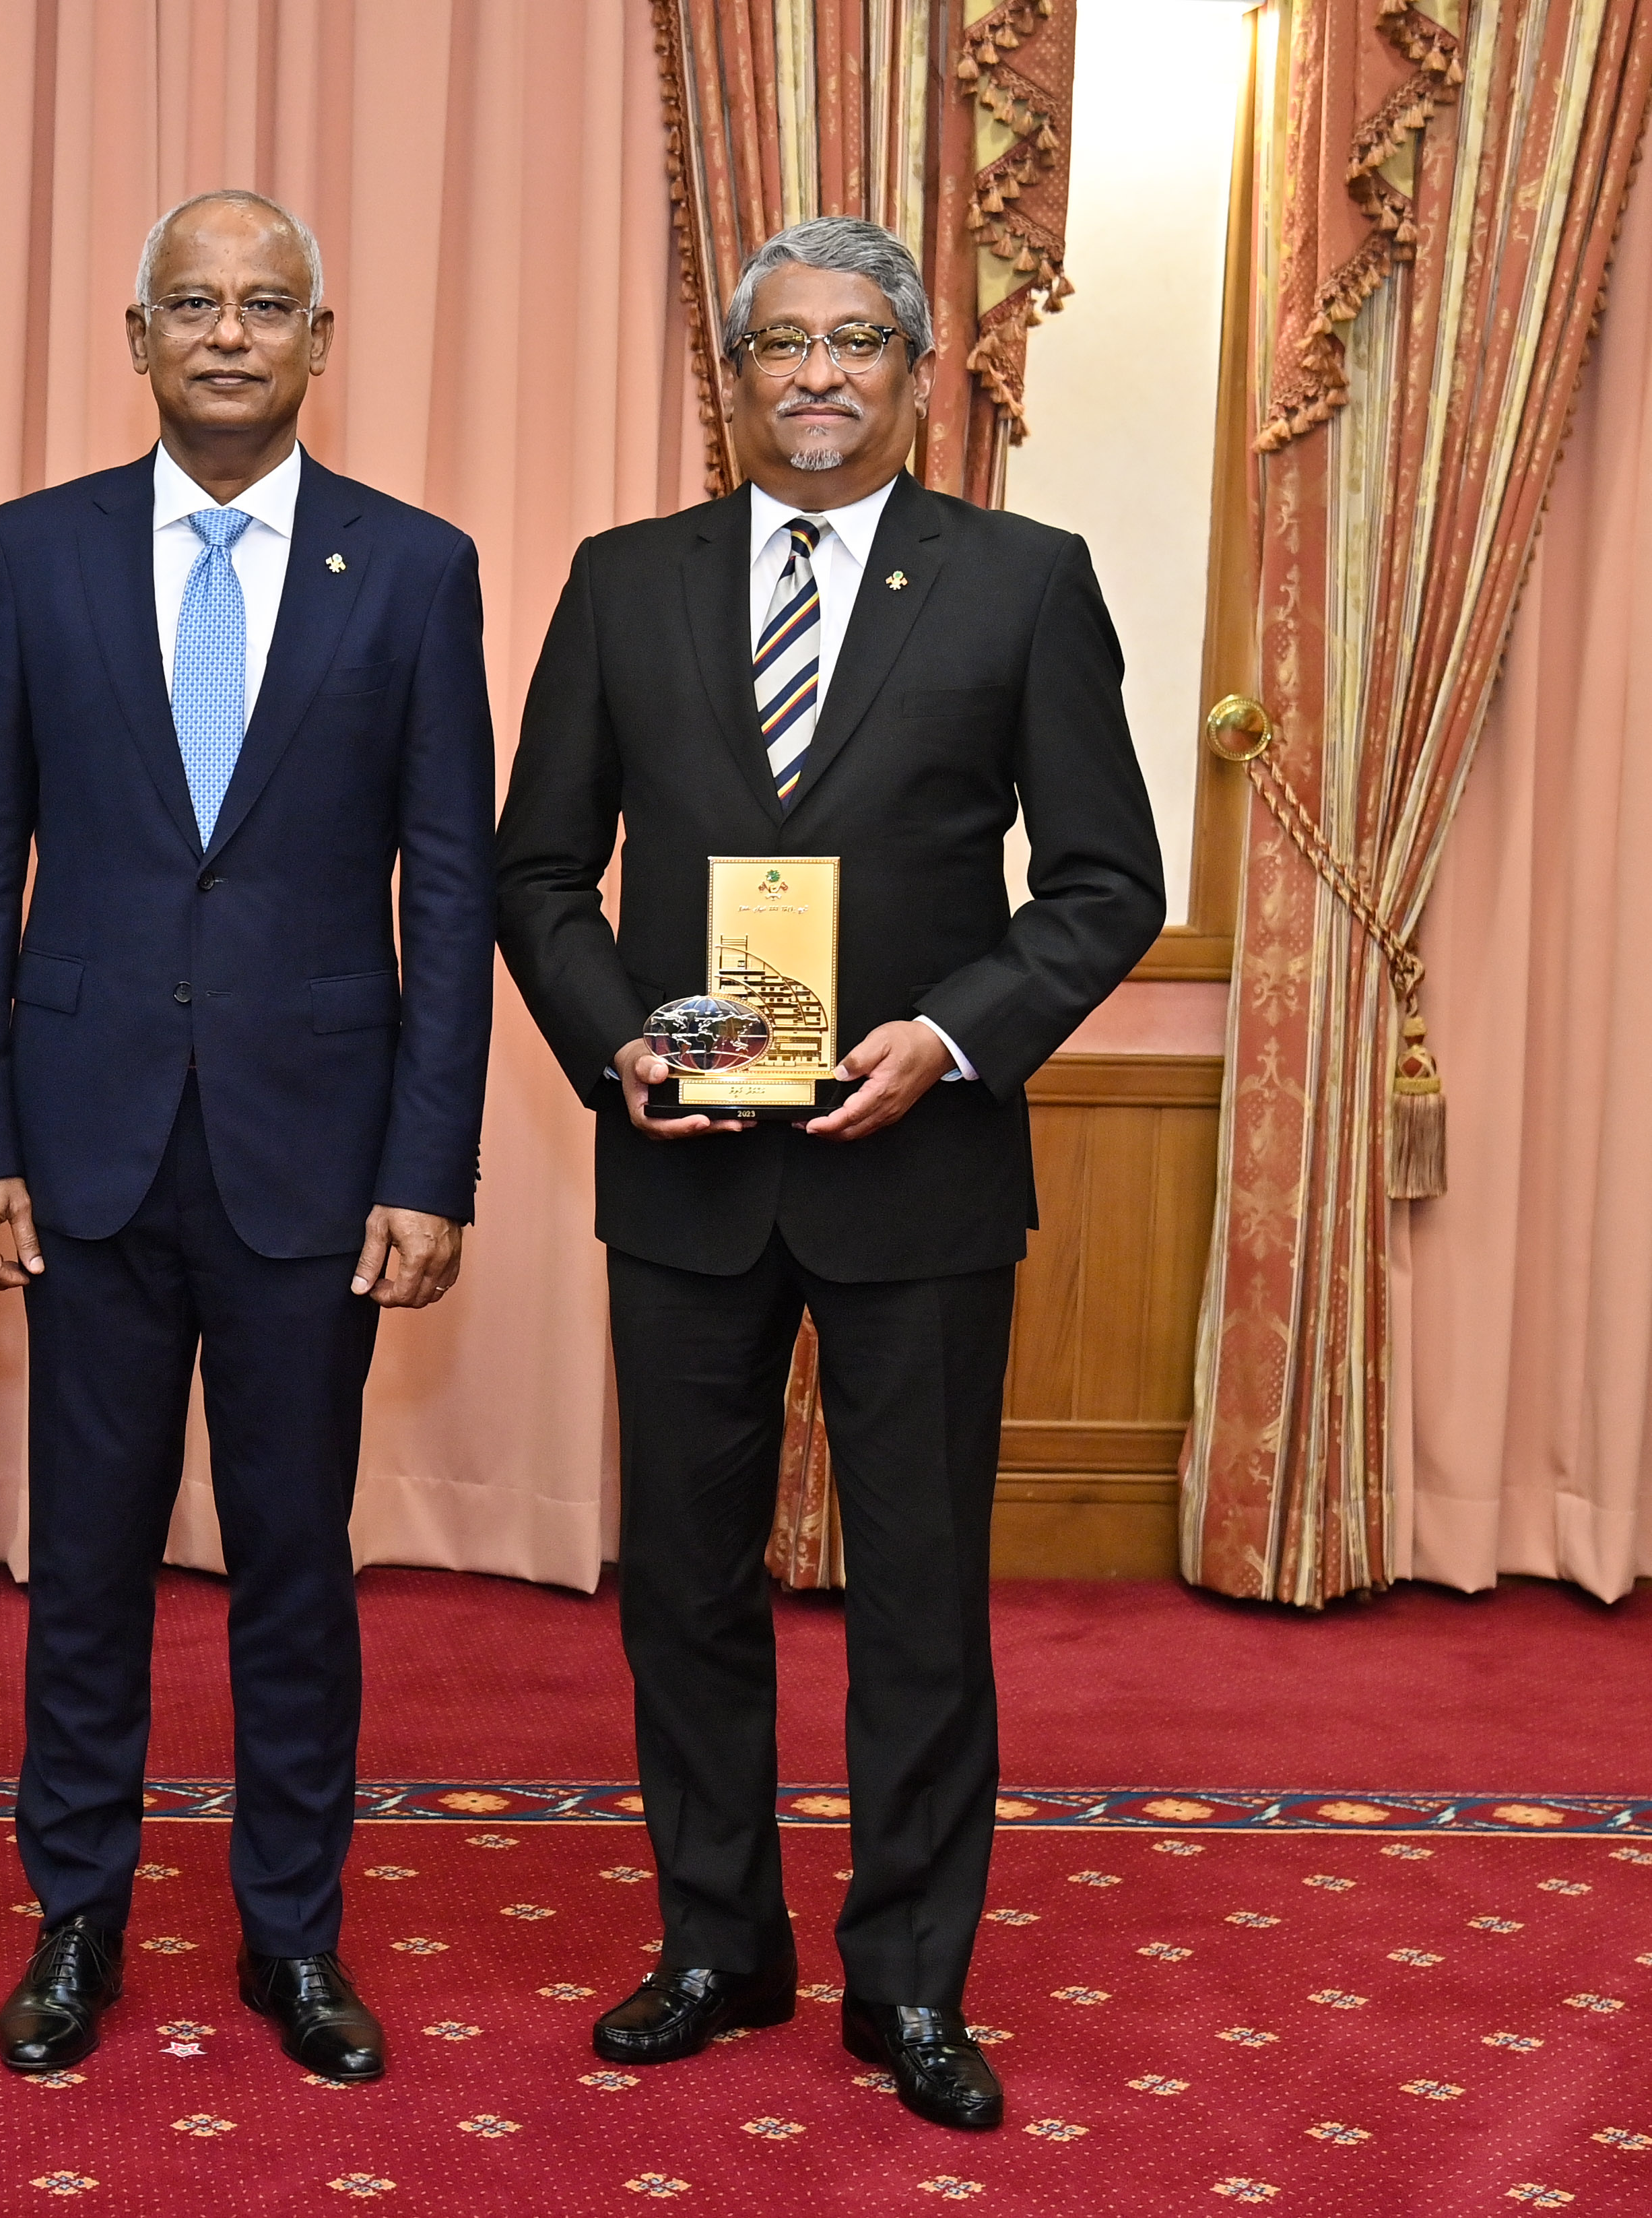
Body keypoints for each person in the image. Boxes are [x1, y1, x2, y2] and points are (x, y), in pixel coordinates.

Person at [494, 216, 1164, 2131]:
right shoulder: (622, 582)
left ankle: (912, 1982)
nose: (814, 372)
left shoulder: (1025, 582)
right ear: (731, 375)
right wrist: (617, 1043)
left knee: (922, 1597)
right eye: (779, 342)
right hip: (687, 1173)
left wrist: (949, 1036)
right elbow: (536, 871)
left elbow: (1105, 883)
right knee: (683, 1589)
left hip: (920, 1174)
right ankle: (716, 1943)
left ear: (918, 373)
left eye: (855, 340)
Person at [0, 191, 494, 2084]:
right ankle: (75, 1921)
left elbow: (448, 891)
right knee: (82, 1564)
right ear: (139, 337)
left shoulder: (413, 570)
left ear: (319, 340)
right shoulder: (33, 552)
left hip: (314, 1159)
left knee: (295, 1568)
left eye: (264, 306)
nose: (228, 334)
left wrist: (428, 1166)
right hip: (80, 1148)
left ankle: (294, 1935)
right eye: (194, 304)